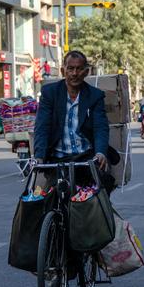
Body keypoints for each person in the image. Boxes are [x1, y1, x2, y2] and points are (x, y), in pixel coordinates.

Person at [34, 50, 114, 192]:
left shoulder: (95, 96)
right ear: (63, 70)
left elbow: (100, 127)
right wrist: (39, 157)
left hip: (86, 158)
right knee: (49, 199)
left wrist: (100, 153)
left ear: (86, 72)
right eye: (70, 68)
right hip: (57, 160)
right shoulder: (49, 93)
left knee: (99, 193)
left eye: (79, 69)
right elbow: (42, 127)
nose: (74, 73)